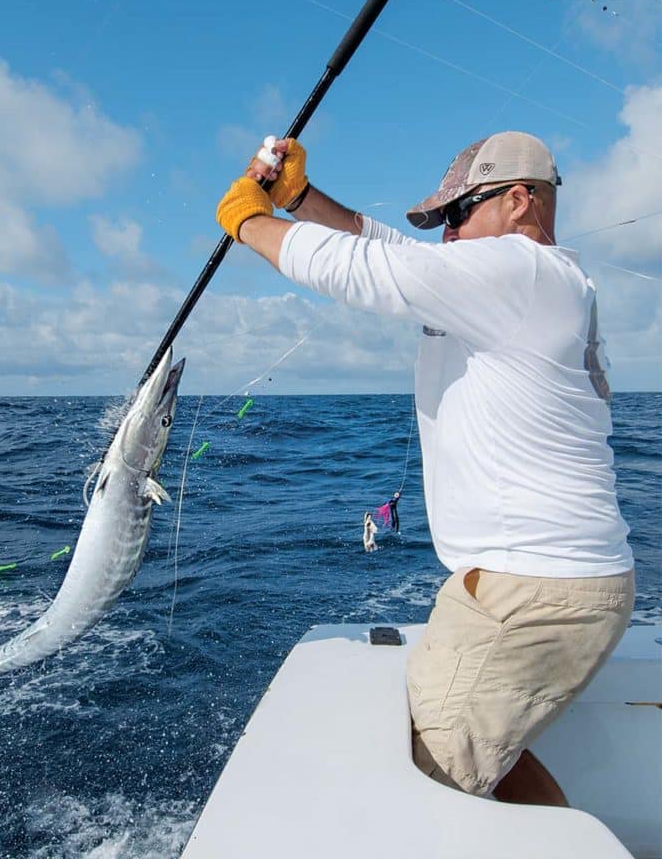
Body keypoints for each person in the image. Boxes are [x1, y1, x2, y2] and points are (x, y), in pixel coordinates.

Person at [215, 130, 634, 806]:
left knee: (433, 795)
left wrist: (248, 220)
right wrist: (299, 198)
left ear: (519, 201)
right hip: (538, 585)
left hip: (528, 592)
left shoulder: (516, 271)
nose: (445, 235)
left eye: (456, 214)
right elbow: (393, 251)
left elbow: (367, 270)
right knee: (475, 761)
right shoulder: (530, 281)